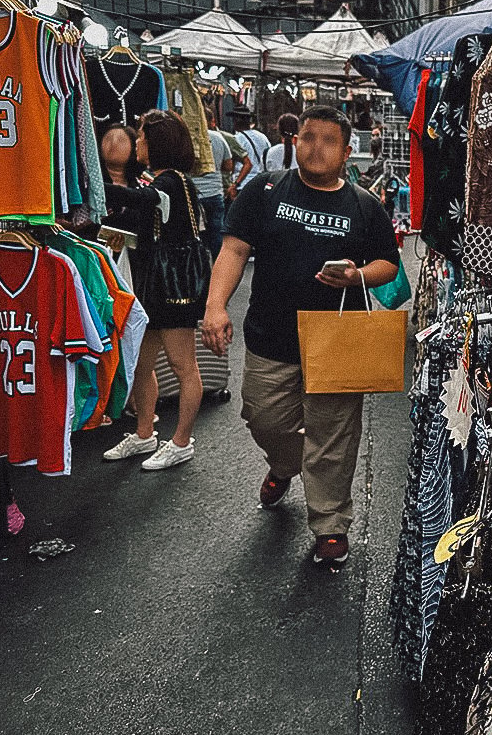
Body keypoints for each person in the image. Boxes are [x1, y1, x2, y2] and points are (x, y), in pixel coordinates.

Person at [202, 104, 400, 565]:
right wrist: (214, 307)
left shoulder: (364, 205)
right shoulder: (265, 190)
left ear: (348, 151)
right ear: (295, 141)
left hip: (336, 340)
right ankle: (285, 464)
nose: (316, 147)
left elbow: (388, 263)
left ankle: (330, 524)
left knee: (333, 435)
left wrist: (356, 275)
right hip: (271, 336)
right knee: (262, 416)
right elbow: (233, 250)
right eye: (308, 137)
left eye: (329, 140)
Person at [102, 110, 207, 471]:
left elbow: (144, 203)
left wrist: (98, 190)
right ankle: (145, 433)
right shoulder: (165, 182)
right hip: (157, 286)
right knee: (142, 363)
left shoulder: (170, 183)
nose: (137, 143)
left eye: (143, 137)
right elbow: (143, 220)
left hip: (172, 288)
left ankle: (181, 441)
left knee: (182, 366)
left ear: (158, 142)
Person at [207, 106, 252, 203]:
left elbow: (247, 163)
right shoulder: (262, 137)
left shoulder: (228, 138)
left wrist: (235, 184)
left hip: (225, 191)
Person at [232, 107, 269, 193]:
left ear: (236, 121)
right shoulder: (262, 137)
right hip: (260, 182)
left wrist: (234, 184)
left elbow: (232, 165)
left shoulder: (236, 139)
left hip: (243, 184)